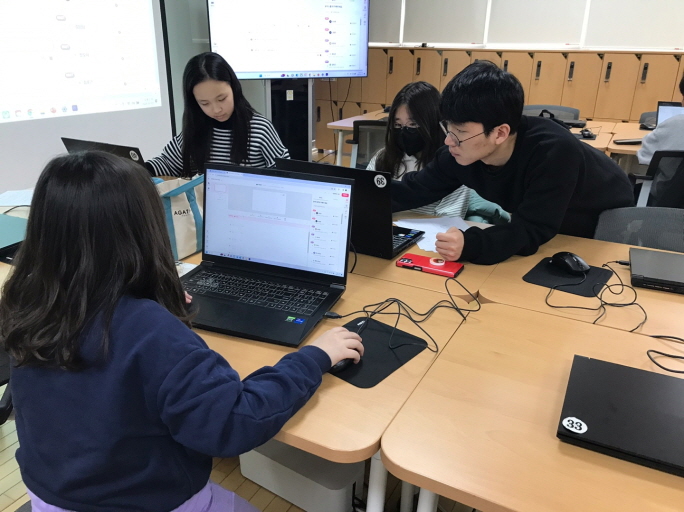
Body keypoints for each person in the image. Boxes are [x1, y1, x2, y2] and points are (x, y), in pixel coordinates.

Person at [0, 151, 363, 512]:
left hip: (50, 495)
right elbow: (235, 423)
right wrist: (314, 358)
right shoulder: (149, 331)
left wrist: (157, 303)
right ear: (143, 228)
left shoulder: (24, 302)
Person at [391, 61, 635, 265]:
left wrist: (472, 244)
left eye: (460, 132)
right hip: (542, 217)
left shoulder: (553, 152)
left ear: (499, 133)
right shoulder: (459, 152)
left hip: (598, 217)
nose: (448, 140)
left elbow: (532, 228)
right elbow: (414, 190)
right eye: (448, 128)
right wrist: (370, 195)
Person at [368, 81, 509, 222]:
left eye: (413, 124)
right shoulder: (383, 157)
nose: (404, 131)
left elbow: (447, 217)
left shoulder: (454, 160)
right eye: (397, 125)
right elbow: (369, 197)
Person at [146, 52, 289, 177]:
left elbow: (284, 172)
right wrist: (140, 169)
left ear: (234, 88)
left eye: (222, 99)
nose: (216, 110)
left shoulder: (260, 129)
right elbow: (167, 163)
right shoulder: (196, 129)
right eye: (204, 103)